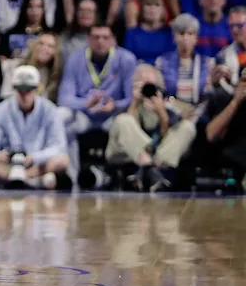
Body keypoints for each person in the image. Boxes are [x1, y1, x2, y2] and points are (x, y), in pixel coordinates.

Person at [0, 66, 69, 189]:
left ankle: (20, 177)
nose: (24, 95)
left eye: (28, 90)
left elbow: (58, 147)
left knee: (62, 160)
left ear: (37, 89)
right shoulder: (0, 109)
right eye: (20, 90)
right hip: (7, 165)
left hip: (35, 164)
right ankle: (25, 179)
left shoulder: (50, 110)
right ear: (14, 89)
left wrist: (35, 157)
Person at [57, 24, 137, 177]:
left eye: (105, 38)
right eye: (96, 37)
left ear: (113, 40)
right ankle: (69, 175)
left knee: (127, 121)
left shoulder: (126, 59)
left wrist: (115, 105)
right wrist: (85, 104)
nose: (101, 41)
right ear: (88, 40)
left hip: (112, 115)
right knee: (61, 116)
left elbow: (130, 98)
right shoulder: (75, 59)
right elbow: (64, 98)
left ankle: (124, 176)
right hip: (84, 114)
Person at [105, 64, 196, 192]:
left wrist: (161, 112)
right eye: (143, 84)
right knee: (124, 120)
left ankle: (154, 171)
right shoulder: (127, 103)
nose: (147, 89)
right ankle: (149, 168)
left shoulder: (168, 105)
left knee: (187, 127)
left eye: (151, 85)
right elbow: (127, 134)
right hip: (126, 154)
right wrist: (135, 102)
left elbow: (165, 138)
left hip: (158, 157)